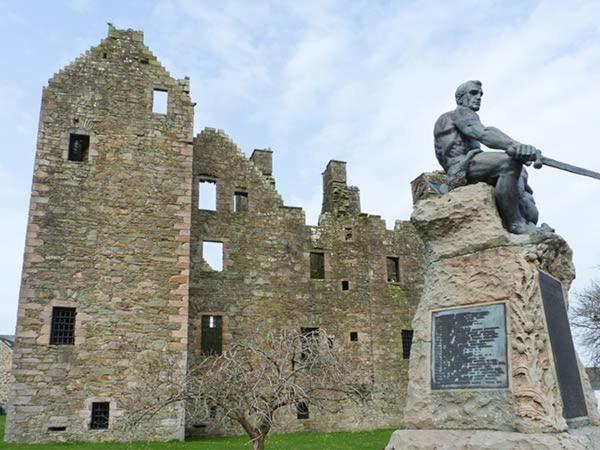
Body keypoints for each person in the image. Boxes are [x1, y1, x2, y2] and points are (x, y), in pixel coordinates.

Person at [434, 80, 550, 234]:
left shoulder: (468, 116)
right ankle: (515, 224)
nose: (479, 97)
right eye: (473, 93)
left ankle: (527, 219)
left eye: (481, 94)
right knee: (508, 163)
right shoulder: (458, 114)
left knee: (521, 172)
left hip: (474, 164)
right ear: (460, 99)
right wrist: (516, 146)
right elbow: (484, 133)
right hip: (459, 169)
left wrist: (521, 152)